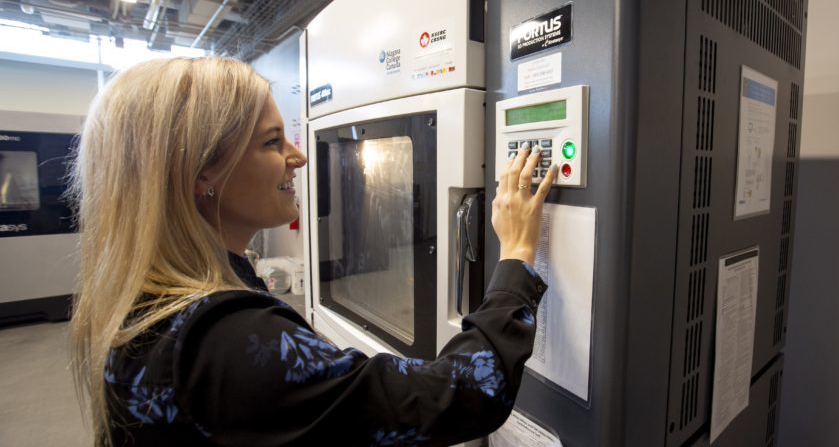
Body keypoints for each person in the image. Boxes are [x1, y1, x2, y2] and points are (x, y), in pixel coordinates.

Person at [68, 57, 557, 447]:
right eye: (271, 141)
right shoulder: (224, 341)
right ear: (202, 174)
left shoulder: (149, 300)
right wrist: (515, 255)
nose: (299, 156)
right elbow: (457, 397)